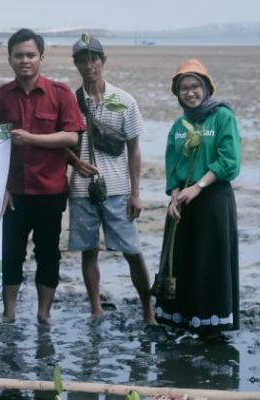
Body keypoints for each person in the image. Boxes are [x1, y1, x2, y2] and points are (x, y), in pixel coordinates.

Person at [0, 28, 84, 325]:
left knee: (48, 253)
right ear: (9, 59)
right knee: (10, 253)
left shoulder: (60, 93)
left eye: (30, 55)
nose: (24, 60)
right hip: (13, 191)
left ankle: (44, 314)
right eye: (18, 55)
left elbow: (71, 137)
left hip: (50, 190)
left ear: (41, 58)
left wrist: (32, 139)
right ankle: (9, 313)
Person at [65, 34, 155, 323]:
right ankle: (95, 308)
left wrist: (135, 192)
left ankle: (148, 309)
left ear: (103, 61)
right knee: (88, 251)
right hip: (80, 190)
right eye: (82, 60)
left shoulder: (124, 100)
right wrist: (75, 162)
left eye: (94, 59)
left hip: (117, 189)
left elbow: (134, 150)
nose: (89, 65)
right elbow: (63, 144)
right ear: (76, 64)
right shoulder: (69, 101)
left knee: (133, 251)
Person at [155, 59, 241, 339]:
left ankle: (211, 325)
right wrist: (174, 193)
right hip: (183, 201)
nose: (190, 93)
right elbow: (172, 162)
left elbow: (229, 160)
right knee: (180, 259)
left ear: (206, 88)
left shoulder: (222, 117)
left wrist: (199, 186)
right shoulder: (179, 125)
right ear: (177, 93)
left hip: (213, 199)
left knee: (210, 259)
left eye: (195, 87)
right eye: (184, 89)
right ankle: (181, 318)